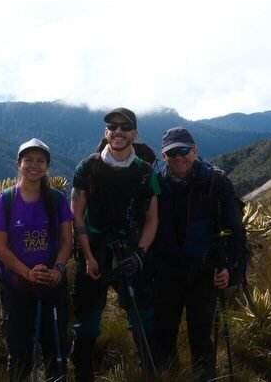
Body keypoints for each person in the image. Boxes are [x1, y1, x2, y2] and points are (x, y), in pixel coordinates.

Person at [70, 107, 160, 382]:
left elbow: (152, 219)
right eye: (113, 126)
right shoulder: (87, 168)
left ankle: (148, 371)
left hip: (130, 248)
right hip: (95, 249)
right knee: (87, 319)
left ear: (134, 133)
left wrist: (140, 255)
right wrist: (87, 256)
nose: (118, 132)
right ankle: (83, 372)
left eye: (125, 127)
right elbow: (76, 213)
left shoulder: (145, 172)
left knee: (142, 318)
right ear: (105, 131)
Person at [151, 127, 244, 381]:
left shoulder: (216, 182)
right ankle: (170, 376)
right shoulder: (156, 183)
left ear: (195, 150)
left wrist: (230, 269)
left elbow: (236, 231)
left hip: (204, 273)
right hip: (166, 273)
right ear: (163, 155)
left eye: (184, 150)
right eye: (172, 153)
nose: (179, 157)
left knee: (201, 336)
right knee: (164, 335)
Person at [0, 138, 74, 381]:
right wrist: (27, 273)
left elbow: (67, 241)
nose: (34, 165)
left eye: (40, 161)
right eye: (29, 160)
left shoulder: (57, 200)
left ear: (47, 166)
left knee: (55, 348)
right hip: (17, 286)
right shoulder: (3, 201)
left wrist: (58, 268)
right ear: (18, 163)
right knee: (19, 350)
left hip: (52, 284)